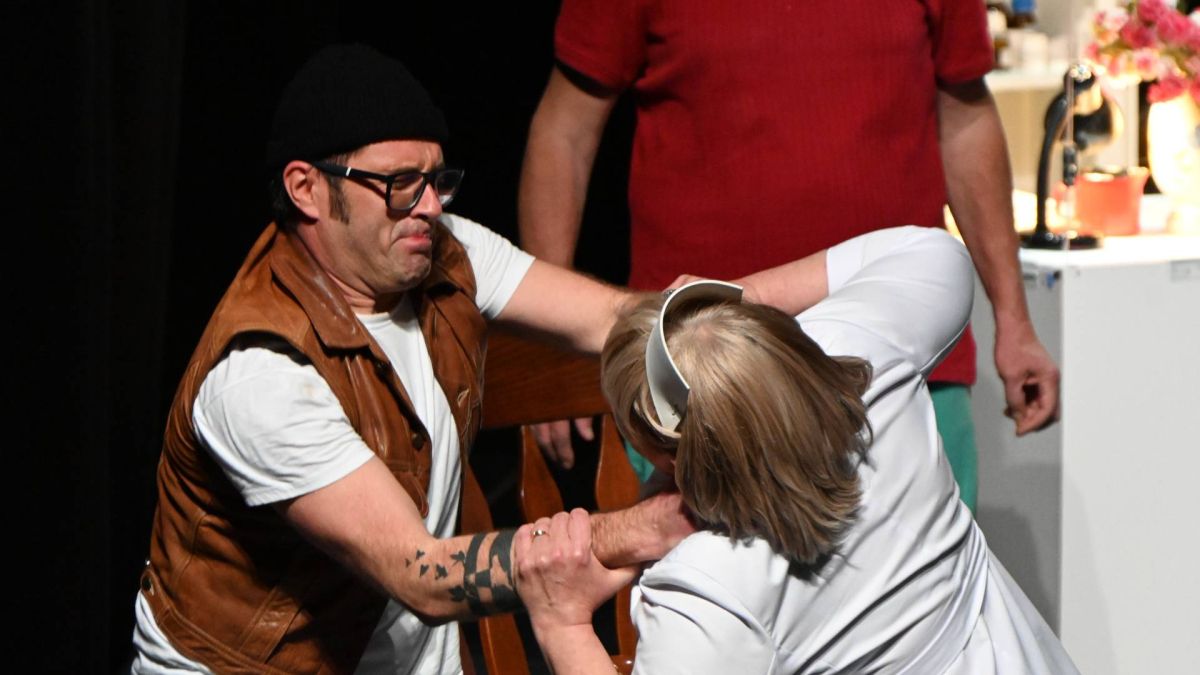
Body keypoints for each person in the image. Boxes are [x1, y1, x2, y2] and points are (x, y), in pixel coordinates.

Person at [130, 43, 822, 674]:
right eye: (400, 182)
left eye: (437, 179)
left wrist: (807, 308)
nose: (430, 206)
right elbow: (423, 573)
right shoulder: (261, 374)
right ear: (306, 188)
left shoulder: (442, 251)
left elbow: (617, 318)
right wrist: (653, 523)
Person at [517, 0, 1061, 511]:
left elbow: (966, 121)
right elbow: (566, 132)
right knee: (702, 578)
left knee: (932, 577)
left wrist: (1013, 320)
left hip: (904, 362)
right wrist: (547, 347)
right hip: (703, 373)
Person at [517, 226, 1080, 673]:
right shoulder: (864, 362)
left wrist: (563, 626)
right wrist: (740, 307)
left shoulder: (709, 589)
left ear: (663, 451)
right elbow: (933, 253)